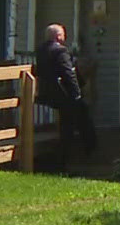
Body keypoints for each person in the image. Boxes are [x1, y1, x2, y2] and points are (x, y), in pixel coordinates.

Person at [33, 24, 96, 156]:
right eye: (63, 35)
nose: (65, 38)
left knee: (70, 118)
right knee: (80, 113)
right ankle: (88, 150)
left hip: (46, 92)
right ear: (58, 36)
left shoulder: (40, 50)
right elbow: (68, 74)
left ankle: (71, 151)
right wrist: (77, 93)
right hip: (62, 94)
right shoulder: (60, 51)